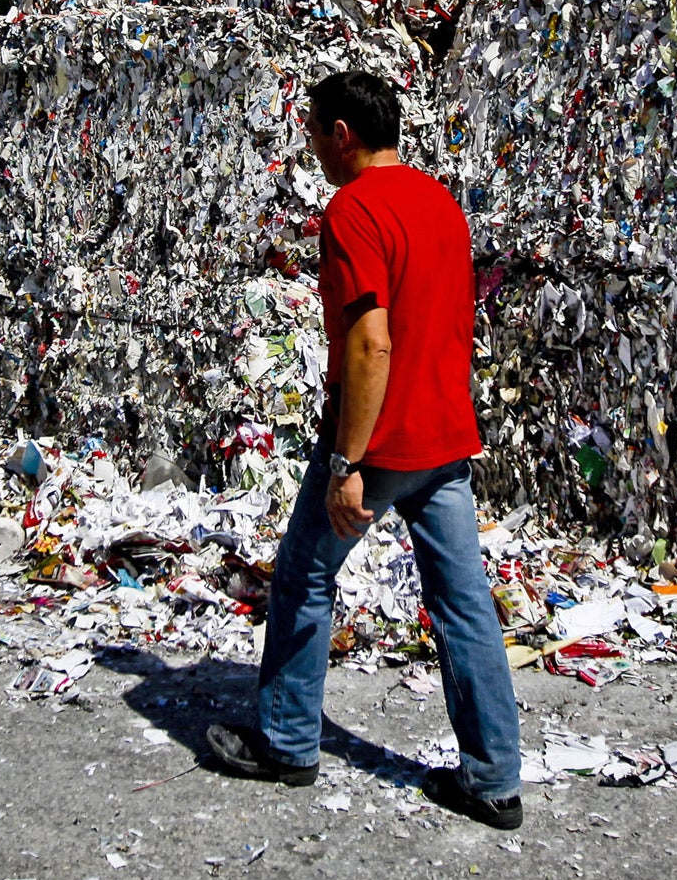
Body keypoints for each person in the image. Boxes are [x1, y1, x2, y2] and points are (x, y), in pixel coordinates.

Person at [205, 70, 524, 829]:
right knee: (463, 605)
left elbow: (372, 340)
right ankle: (495, 780)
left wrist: (346, 463)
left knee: (302, 578)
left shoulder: (353, 210)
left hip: (378, 441)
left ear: (342, 133)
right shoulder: (440, 202)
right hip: (444, 437)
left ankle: (286, 743)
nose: (312, 147)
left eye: (314, 131)